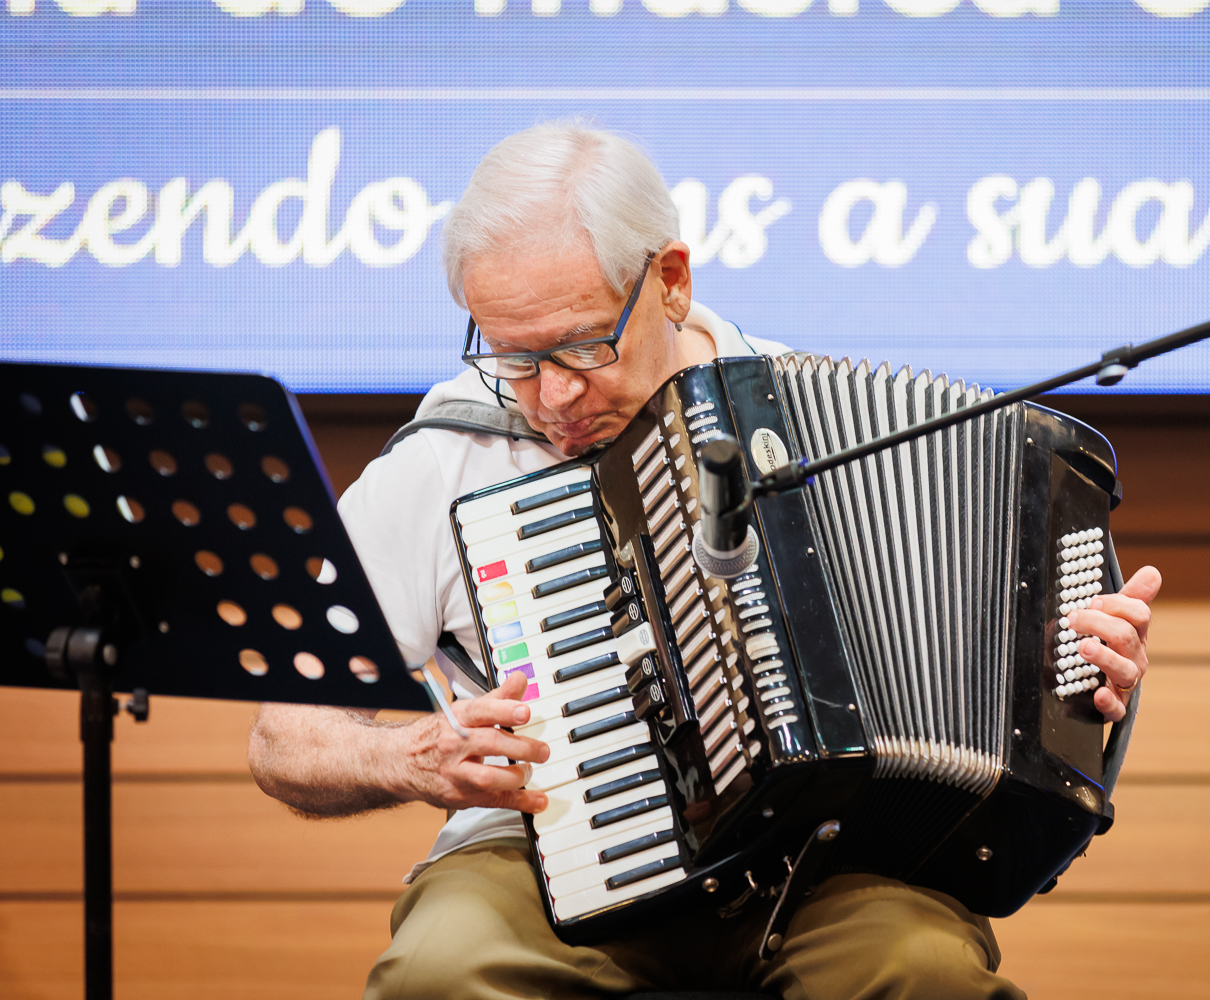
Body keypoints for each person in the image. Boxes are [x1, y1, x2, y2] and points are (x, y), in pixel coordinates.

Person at [247, 120, 1162, 1000]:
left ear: (672, 281)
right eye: (514, 359)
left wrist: (1080, 671)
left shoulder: (818, 422)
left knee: (924, 975)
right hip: (541, 850)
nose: (551, 397)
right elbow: (283, 735)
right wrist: (411, 756)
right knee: (438, 976)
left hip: (823, 855)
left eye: (582, 346)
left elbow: (1002, 675)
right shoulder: (445, 457)